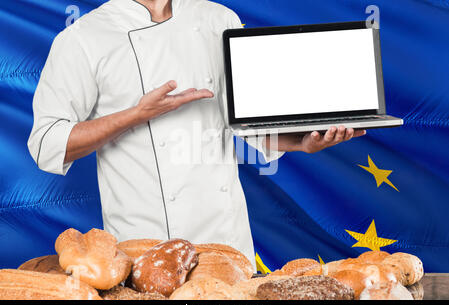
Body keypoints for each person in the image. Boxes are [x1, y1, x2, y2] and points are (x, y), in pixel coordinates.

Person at [28, 0, 365, 269]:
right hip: (145, 251)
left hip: (228, 245)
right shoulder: (84, 38)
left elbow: (246, 126)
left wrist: (301, 142)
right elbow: (47, 144)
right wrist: (136, 115)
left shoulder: (219, 19)